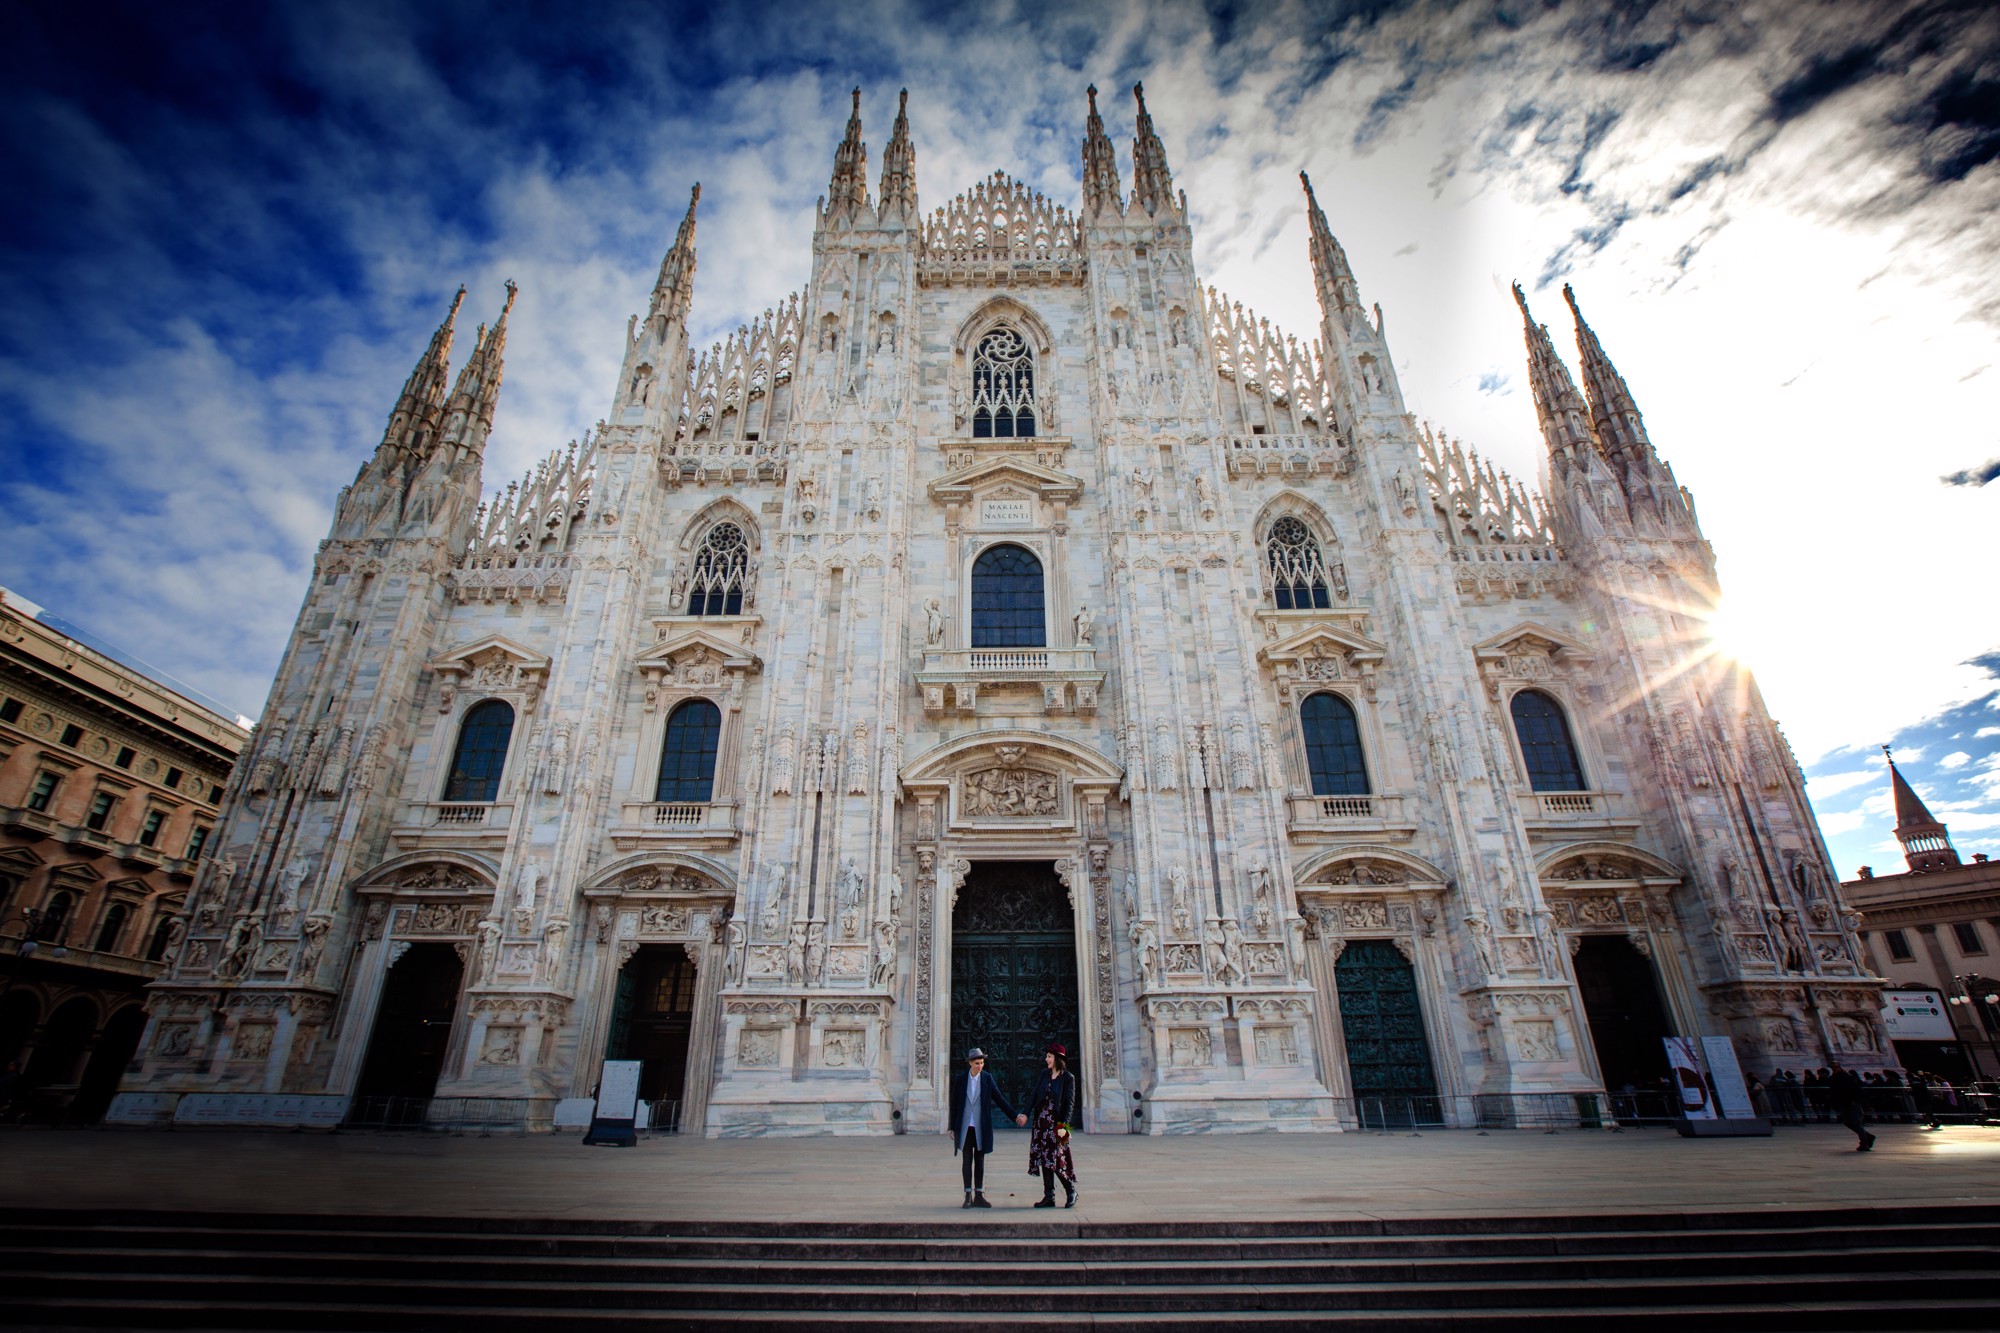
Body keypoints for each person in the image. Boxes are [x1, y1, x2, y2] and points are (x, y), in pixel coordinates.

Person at [947, 1047, 1023, 1208]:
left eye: (981, 1063)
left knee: (980, 1160)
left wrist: (1014, 1116)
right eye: (977, 1063)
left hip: (981, 1126)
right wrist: (952, 1127)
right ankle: (968, 1194)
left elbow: (999, 1098)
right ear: (969, 1063)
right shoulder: (960, 1080)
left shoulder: (987, 1078)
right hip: (966, 1125)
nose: (980, 1066)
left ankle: (979, 1194)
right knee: (967, 1159)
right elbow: (954, 1104)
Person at [1024, 1041, 1080, 1209]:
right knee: (1044, 1158)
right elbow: (1034, 1094)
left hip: (1055, 1124)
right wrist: (1025, 1113)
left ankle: (1071, 1191)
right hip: (1041, 1122)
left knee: (1055, 1159)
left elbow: (1069, 1103)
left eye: (1049, 1056)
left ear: (1057, 1058)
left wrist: (1063, 1126)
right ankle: (1049, 1196)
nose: (1046, 1059)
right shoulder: (1044, 1075)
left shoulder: (1068, 1078)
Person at [1827, 1062, 1875, 1152]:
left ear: (1840, 1067)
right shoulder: (1832, 1078)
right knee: (1848, 1123)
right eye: (1833, 1067)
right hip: (1842, 1103)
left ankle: (1864, 1144)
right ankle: (1868, 1136)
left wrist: (1860, 1102)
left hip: (1852, 1103)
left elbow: (1857, 1089)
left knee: (1856, 1123)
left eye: (1836, 1067)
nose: (1834, 1069)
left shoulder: (1847, 1077)